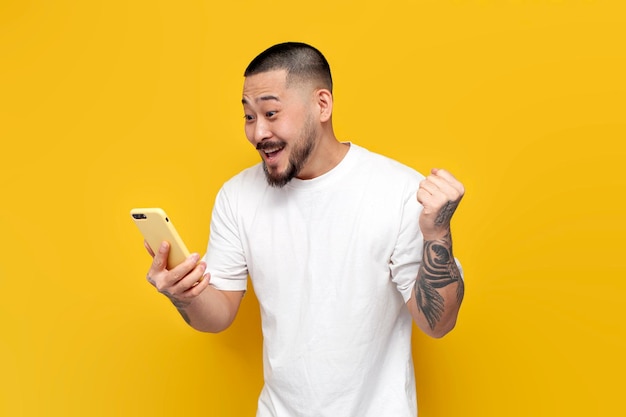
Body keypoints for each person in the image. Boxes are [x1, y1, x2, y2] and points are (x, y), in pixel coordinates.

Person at [144, 42, 465, 417]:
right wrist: (183, 293)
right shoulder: (237, 196)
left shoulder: (398, 191)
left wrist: (437, 234)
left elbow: (437, 323)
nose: (257, 132)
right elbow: (217, 316)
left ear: (322, 105)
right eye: (249, 117)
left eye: (271, 112)